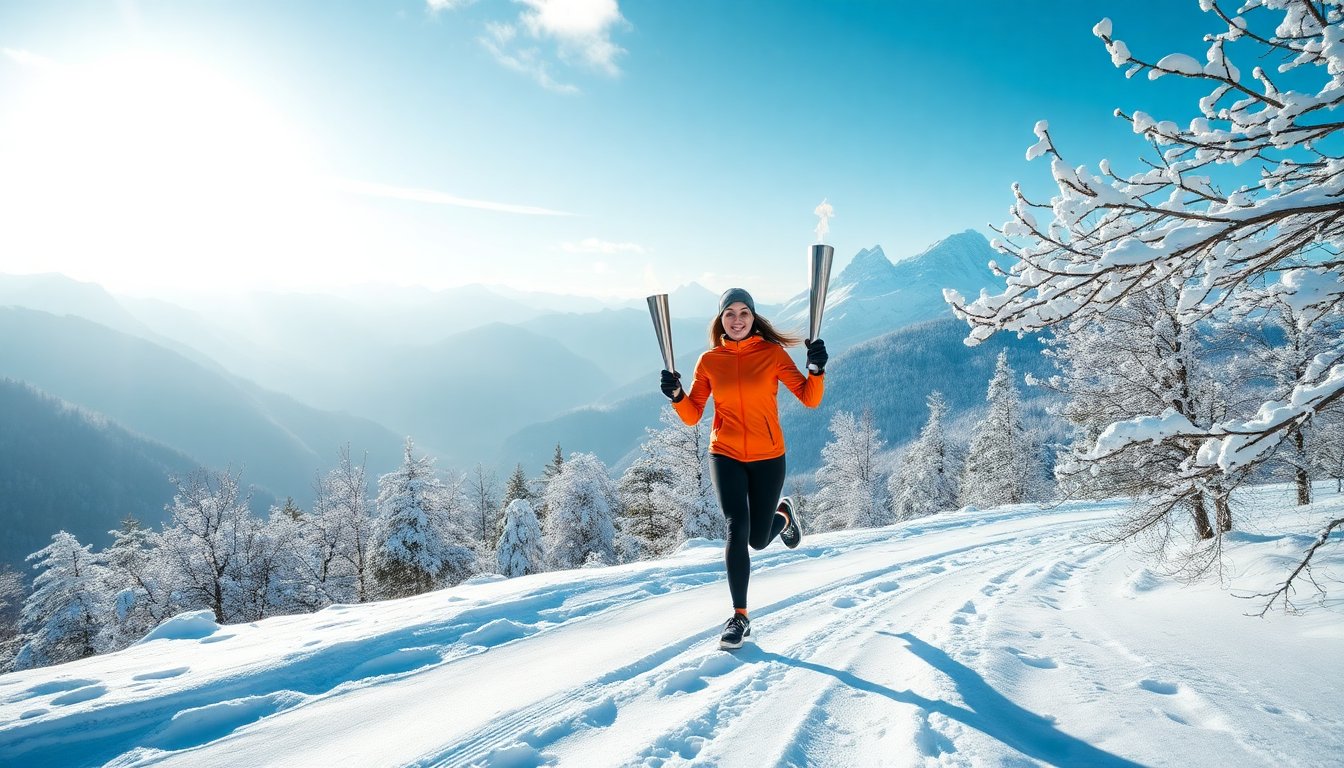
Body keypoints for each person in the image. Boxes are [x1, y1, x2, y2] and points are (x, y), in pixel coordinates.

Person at [659, 287, 827, 649]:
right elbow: (692, 416)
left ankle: (784, 516)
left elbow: (810, 398)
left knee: (757, 539)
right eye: (730, 313)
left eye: (743, 313)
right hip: (726, 453)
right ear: (720, 320)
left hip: (768, 456)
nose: (737, 319)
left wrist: (816, 369)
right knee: (737, 525)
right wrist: (676, 396)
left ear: (753, 318)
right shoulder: (709, 362)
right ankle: (740, 617)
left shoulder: (772, 354)